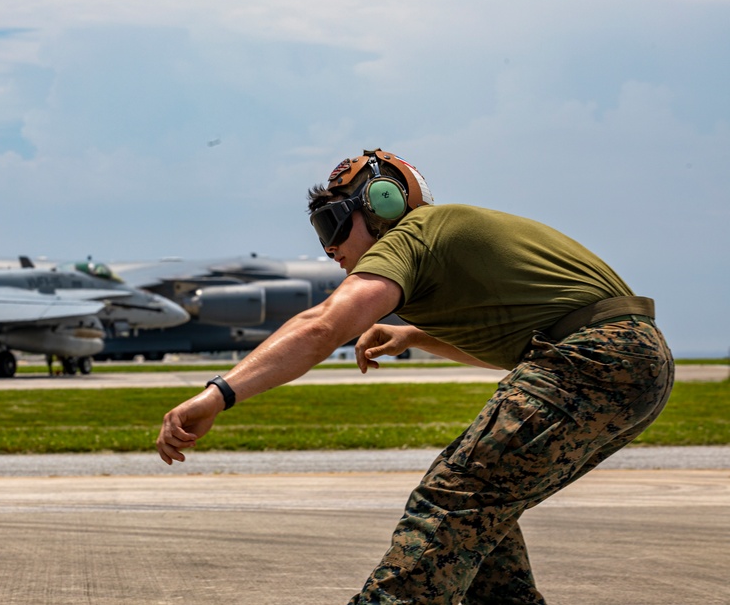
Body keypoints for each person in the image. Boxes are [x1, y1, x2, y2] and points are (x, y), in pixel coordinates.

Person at [155, 149, 673, 604]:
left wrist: (217, 394)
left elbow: (321, 327)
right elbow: (519, 350)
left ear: (381, 205)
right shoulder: (440, 240)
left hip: (591, 359)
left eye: (333, 224)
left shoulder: (411, 233)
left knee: (453, 499)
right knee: (484, 505)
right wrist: (417, 337)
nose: (328, 248)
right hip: (629, 360)